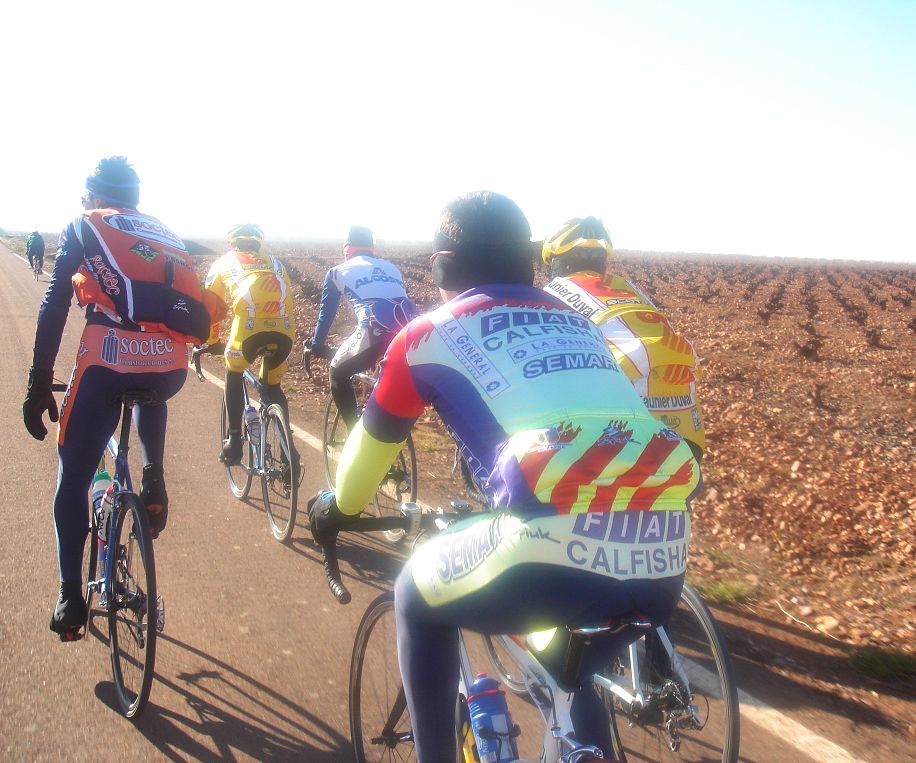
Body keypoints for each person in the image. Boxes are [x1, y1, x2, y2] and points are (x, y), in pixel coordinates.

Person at [308, 191, 701, 761]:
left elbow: (363, 468)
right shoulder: (580, 324)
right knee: (565, 675)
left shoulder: (424, 336)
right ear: (529, 262)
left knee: (415, 592)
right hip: (663, 558)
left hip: (542, 548)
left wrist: (335, 510)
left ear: (442, 268)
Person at [23, 156, 214, 637]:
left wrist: (39, 381)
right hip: (170, 369)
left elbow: (54, 302)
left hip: (107, 366)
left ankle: (70, 597)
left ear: (93, 197)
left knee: (73, 476)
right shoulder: (162, 232)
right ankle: (153, 477)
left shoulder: (85, 223)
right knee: (150, 383)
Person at [542, 217, 705, 460]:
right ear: (603, 263)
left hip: (626, 421)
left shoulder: (553, 294)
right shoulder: (627, 288)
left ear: (557, 262)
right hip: (685, 417)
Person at [197, 224, 298, 466]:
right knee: (272, 387)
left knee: (234, 373)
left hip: (249, 332)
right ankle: (289, 455)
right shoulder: (275, 263)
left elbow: (211, 309)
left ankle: (234, 442)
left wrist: (212, 342)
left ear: (232, 243)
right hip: (284, 331)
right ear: (258, 243)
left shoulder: (223, 263)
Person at [304, 225, 417, 430]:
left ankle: (353, 437)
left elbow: (326, 314)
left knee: (337, 373)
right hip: (410, 334)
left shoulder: (336, 272)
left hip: (373, 332)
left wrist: (317, 345)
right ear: (371, 248)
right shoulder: (392, 268)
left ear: (347, 249)